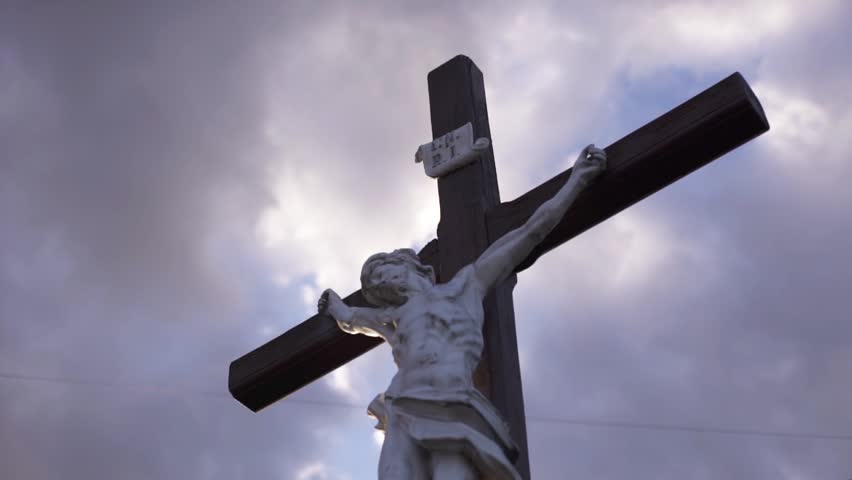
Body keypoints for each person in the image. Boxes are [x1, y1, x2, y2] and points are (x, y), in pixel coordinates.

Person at [319, 145, 607, 479]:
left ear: (413, 267)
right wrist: (334, 304)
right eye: (377, 282)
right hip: (402, 405)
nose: (383, 280)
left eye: (385, 270)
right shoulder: (395, 319)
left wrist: (576, 181)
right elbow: (352, 319)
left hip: (452, 403)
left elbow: (531, 231)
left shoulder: (467, 286)